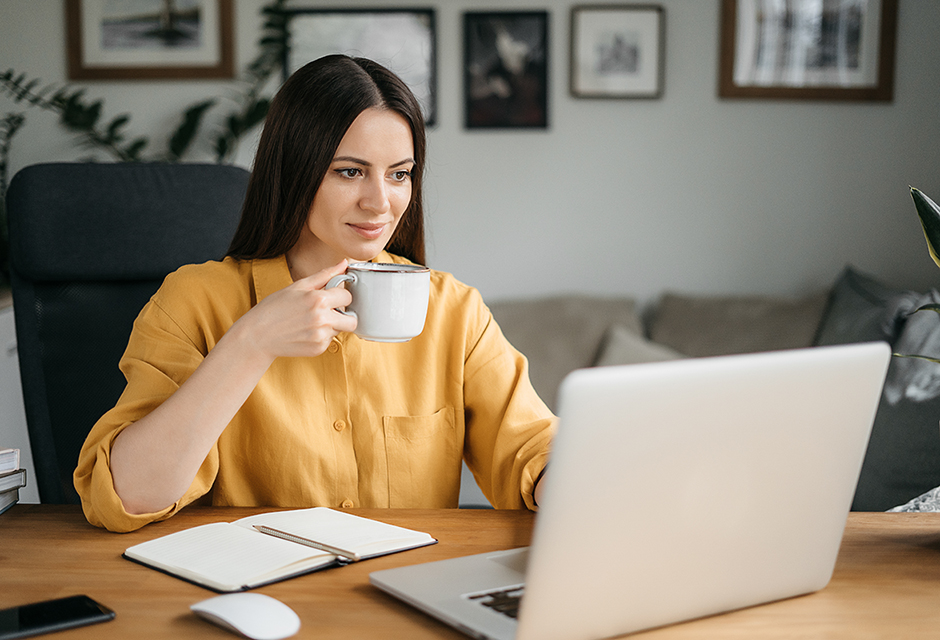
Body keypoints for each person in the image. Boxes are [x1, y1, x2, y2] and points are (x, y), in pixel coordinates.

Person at [74, 55, 554, 533]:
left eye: (399, 174)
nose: (379, 202)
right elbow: (128, 496)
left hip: (403, 586)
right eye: (350, 171)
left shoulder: (454, 309)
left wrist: (566, 481)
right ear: (294, 170)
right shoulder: (194, 301)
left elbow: (533, 448)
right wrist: (250, 344)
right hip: (254, 590)